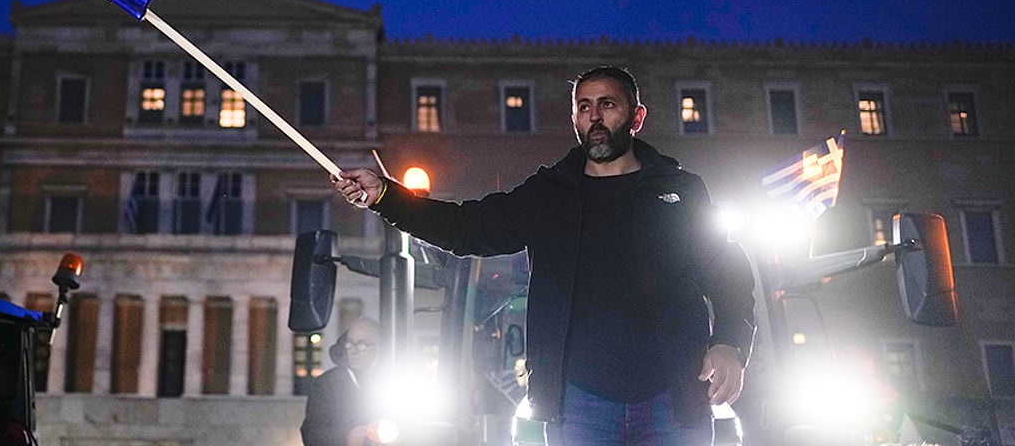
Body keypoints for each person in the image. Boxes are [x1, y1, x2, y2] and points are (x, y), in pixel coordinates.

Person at [333, 65, 756, 446]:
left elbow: (729, 273)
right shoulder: (549, 195)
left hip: (673, 398)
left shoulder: (680, 192)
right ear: (574, 119)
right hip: (579, 404)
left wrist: (730, 345)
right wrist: (385, 196)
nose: (594, 116)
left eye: (607, 104)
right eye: (584, 107)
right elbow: (465, 228)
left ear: (637, 116)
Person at [300, 317, 381, 446]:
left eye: (362, 345)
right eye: (349, 343)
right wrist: (346, 438)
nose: (353, 351)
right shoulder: (326, 383)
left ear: (379, 346)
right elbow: (311, 433)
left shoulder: (396, 376)